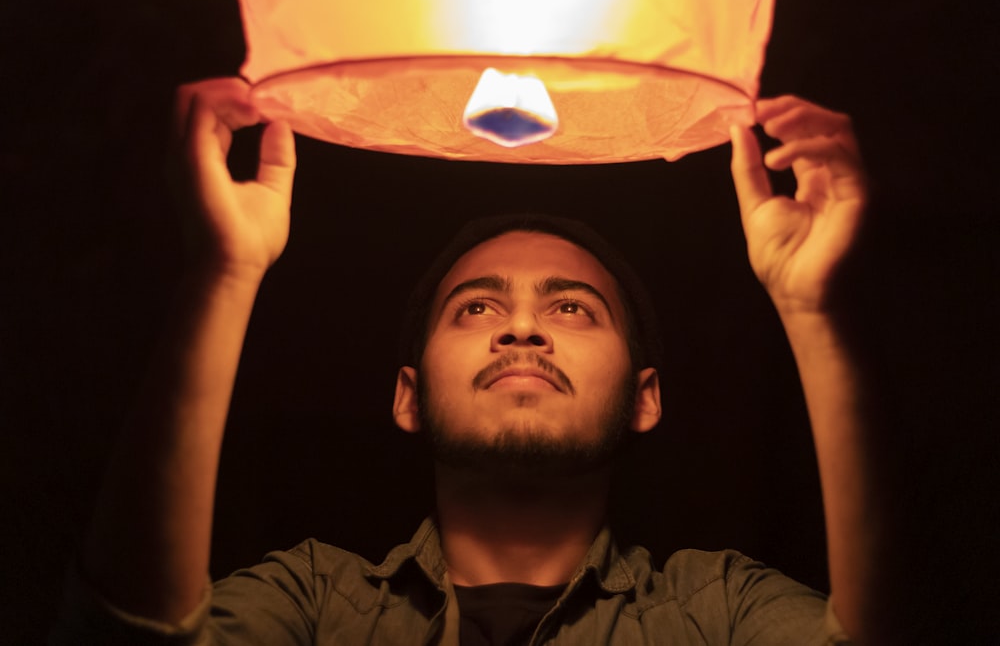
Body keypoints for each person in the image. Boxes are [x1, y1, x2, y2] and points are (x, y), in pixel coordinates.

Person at [52, 78, 875, 645]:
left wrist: (816, 308)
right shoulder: (312, 604)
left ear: (644, 396)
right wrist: (221, 273)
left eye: (571, 308)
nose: (523, 329)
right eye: (476, 307)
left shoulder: (718, 612)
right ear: (407, 395)